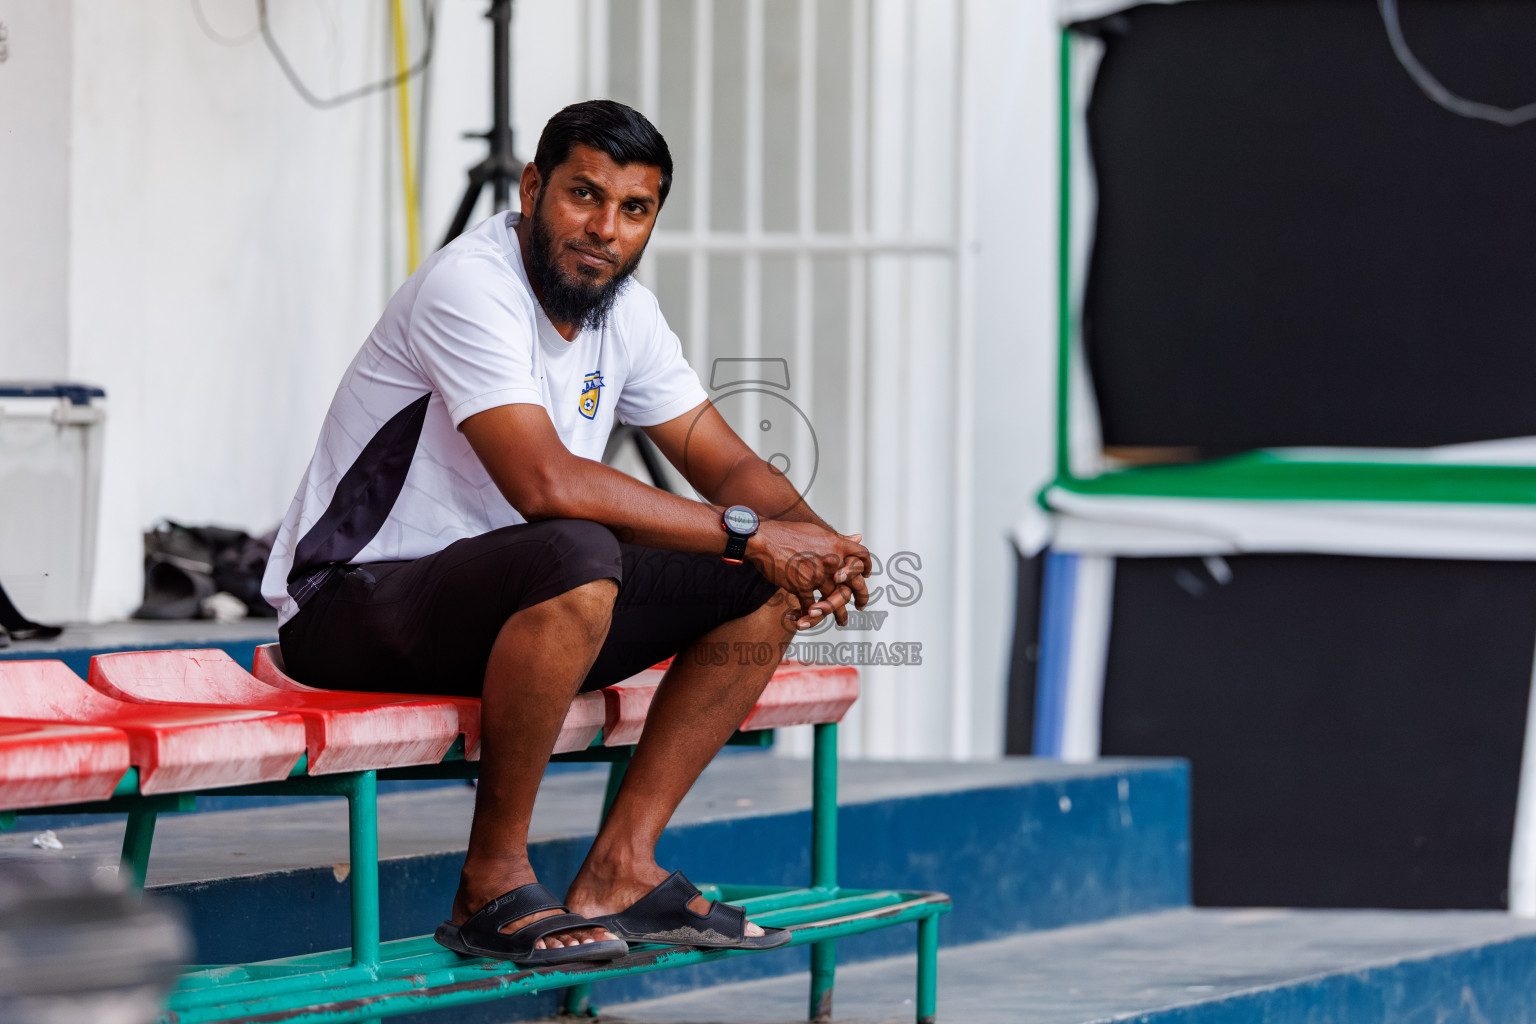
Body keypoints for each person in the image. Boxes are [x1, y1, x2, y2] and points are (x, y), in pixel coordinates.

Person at [261, 99, 869, 966]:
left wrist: (819, 544)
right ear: (534, 187)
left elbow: (728, 467)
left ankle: (621, 868)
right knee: (582, 550)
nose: (604, 229)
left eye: (633, 209)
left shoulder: (627, 316)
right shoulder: (469, 285)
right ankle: (490, 883)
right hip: (347, 602)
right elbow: (544, 482)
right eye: (584, 195)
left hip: (507, 608)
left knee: (762, 580)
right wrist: (752, 532)